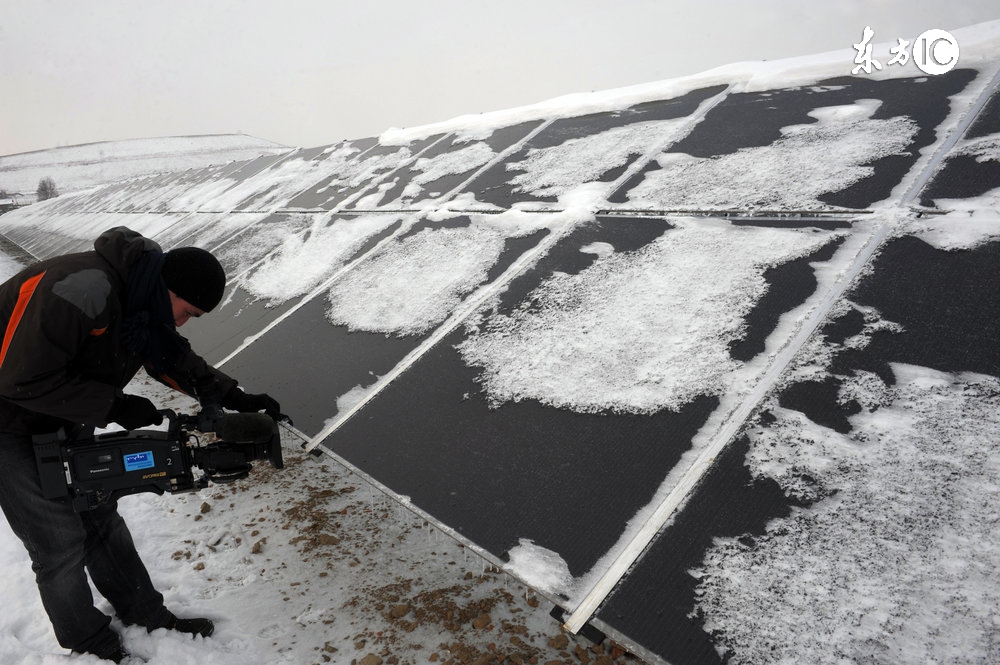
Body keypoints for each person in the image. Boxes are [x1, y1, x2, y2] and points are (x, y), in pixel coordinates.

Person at [0, 227, 283, 663]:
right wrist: (114, 405)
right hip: (7, 419)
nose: (183, 322)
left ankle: (146, 615)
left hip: (59, 408)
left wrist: (233, 396)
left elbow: (170, 357)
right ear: (167, 287)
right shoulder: (84, 288)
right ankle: (91, 644)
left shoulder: (141, 301)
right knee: (57, 541)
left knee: (98, 513)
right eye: (186, 311)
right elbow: (19, 378)